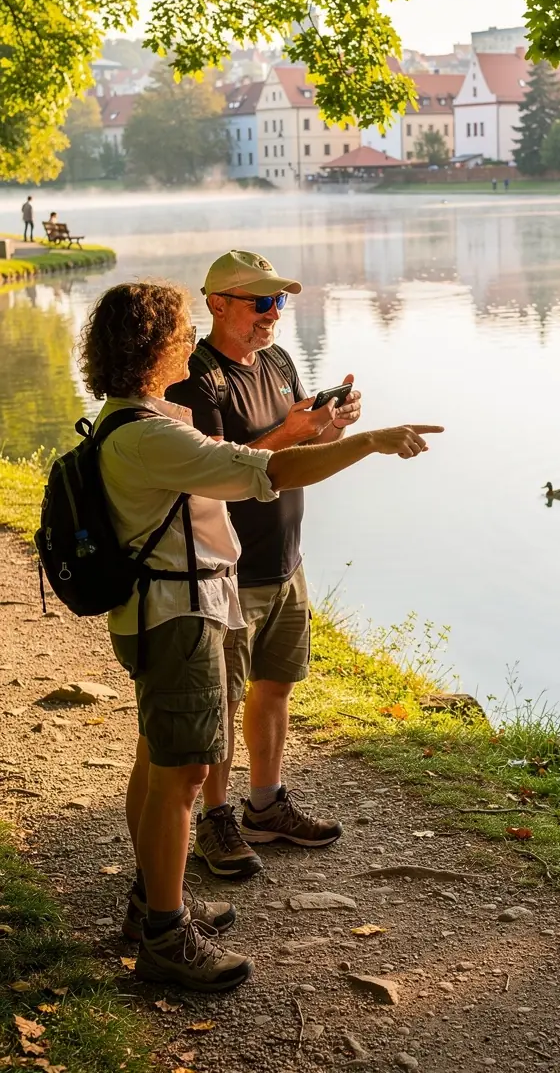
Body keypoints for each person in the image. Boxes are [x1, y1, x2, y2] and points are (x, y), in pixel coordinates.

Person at [80, 280, 442, 991]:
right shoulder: (151, 434)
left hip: (163, 613)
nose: (187, 341)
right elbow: (267, 471)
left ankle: (152, 903)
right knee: (182, 779)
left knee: (160, 764)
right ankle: (163, 937)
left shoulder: (133, 418)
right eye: (177, 332)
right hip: (177, 619)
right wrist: (366, 442)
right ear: (154, 348)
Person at [165, 251, 363, 878]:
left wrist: (331, 426)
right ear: (218, 303)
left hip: (286, 557)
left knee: (276, 684)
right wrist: (290, 432)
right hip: (227, 568)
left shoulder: (277, 360)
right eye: (261, 302)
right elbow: (216, 470)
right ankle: (215, 819)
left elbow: (299, 440)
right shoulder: (195, 377)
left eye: (279, 302)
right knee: (221, 700)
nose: (273, 315)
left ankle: (266, 804)